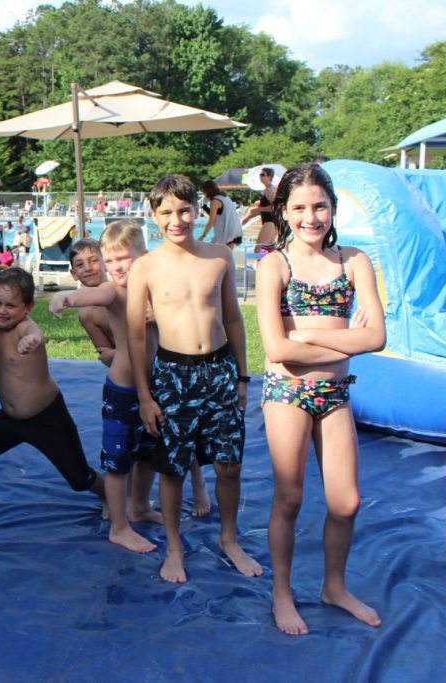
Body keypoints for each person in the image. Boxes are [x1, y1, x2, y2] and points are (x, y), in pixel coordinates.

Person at [256, 163, 384, 636]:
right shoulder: (275, 264)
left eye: (320, 206)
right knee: (289, 497)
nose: (312, 217)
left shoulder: (354, 261)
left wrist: (305, 331)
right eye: (300, 208)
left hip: (334, 394)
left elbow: (376, 338)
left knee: (346, 502)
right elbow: (277, 349)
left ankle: (334, 586)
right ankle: (283, 593)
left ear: (333, 207)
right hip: (287, 392)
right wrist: (342, 336)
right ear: (284, 211)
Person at [127, 175, 262, 583]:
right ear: (153, 217)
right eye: (166, 212)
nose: (176, 220)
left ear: (198, 210)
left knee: (229, 465)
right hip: (173, 373)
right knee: (172, 468)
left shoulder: (219, 256)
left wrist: (241, 376)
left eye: (184, 210)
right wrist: (145, 396)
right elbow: (135, 335)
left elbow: (234, 319)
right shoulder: (145, 267)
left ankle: (229, 538)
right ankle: (174, 545)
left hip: (219, 371)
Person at [0, 268, 106, 540]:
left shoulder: (25, 327)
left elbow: (34, 331)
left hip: (47, 417)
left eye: (11, 305)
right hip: (10, 419)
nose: (1, 310)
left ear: (28, 307)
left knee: (80, 477)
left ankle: (112, 499)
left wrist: (32, 339)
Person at [49, 221, 160, 553]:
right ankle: (119, 526)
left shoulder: (153, 291)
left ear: (145, 256)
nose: (117, 268)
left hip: (152, 388)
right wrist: (66, 297)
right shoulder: (115, 292)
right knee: (118, 461)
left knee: (147, 455)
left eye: (124, 259)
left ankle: (138, 506)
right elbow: (92, 294)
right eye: (110, 262)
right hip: (124, 390)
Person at [242, 167, 277, 253]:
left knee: (257, 250)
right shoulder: (267, 190)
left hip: (269, 223)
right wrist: (248, 217)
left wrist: (258, 209)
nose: (260, 177)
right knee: (270, 251)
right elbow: (263, 209)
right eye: (260, 175)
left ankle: (259, 266)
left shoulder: (270, 190)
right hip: (270, 223)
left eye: (262, 175)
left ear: (269, 177)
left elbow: (275, 207)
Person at [199, 181, 244, 248]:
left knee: (212, 253)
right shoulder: (225, 197)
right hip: (235, 231)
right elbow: (220, 214)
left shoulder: (215, 201)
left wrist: (203, 236)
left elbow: (211, 222)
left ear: (207, 191)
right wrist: (206, 209)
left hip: (226, 233)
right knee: (225, 256)